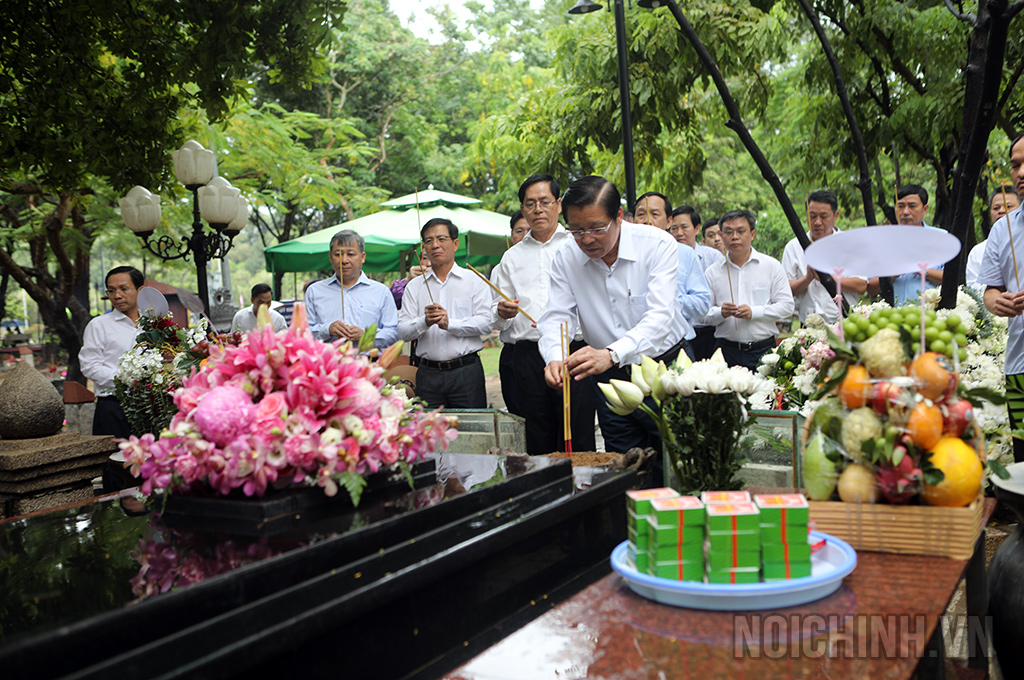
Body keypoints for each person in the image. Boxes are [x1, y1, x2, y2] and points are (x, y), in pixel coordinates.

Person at [539, 176, 688, 455]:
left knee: (677, 458)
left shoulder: (656, 244)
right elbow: (557, 315)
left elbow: (661, 317)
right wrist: (554, 357)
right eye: (576, 230)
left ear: (619, 215)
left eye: (597, 228)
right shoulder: (566, 255)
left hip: (664, 369)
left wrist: (611, 353)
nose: (587, 239)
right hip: (609, 379)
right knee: (623, 461)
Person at [492, 175, 596, 454]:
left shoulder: (579, 246)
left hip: (573, 351)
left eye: (544, 202)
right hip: (528, 355)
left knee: (578, 432)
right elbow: (496, 315)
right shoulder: (511, 257)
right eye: (530, 204)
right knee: (536, 436)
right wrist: (501, 311)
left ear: (559, 204)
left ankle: (582, 482)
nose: (538, 209)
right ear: (522, 209)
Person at [398, 218, 492, 409]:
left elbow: (487, 323)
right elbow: (403, 331)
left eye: (441, 239)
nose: (435, 245)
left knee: (472, 425)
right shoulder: (414, 287)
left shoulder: (474, 280)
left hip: (466, 371)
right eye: (429, 241)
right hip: (428, 373)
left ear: (455, 244)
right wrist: (424, 322)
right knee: (429, 426)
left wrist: (450, 324)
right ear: (424, 248)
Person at [702, 209, 794, 370]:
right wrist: (721, 312)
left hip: (764, 350)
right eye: (728, 232)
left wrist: (755, 312)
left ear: (752, 234)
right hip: (726, 351)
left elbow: (787, 306)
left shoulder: (771, 266)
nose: (734, 237)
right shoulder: (712, 272)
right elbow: (702, 314)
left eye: (740, 231)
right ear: (722, 236)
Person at [980, 133, 1024, 462]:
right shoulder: (1002, 229)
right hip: (1019, 366)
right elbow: (991, 290)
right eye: (1015, 165)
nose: (1021, 173)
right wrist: (997, 302)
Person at [782, 190, 868, 323]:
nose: (817, 222)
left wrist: (828, 278)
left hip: (845, 324)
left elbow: (861, 285)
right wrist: (808, 278)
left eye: (824, 216)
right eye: (812, 216)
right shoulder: (793, 247)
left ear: (835, 216)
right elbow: (785, 290)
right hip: (809, 327)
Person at [305, 229, 399, 349]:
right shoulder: (314, 291)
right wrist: (327, 329)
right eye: (338, 254)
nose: (344, 260)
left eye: (350, 254)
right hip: (328, 360)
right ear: (330, 257)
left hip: (368, 359)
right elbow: (302, 334)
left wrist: (367, 335)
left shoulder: (381, 292)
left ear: (362, 257)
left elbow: (394, 333)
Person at [80, 266, 144, 439]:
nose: (117, 295)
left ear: (140, 290)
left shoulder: (153, 323)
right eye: (111, 290)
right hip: (113, 408)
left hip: (151, 406)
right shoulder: (98, 325)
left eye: (124, 289)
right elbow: (89, 366)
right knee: (116, 455)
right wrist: (126, 379)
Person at [869, 185, 944, 304]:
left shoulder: (942, 238)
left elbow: (953, 278)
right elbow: (870, 288)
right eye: (900, 206)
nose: (905, 212)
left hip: (930, 313)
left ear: (924, 209)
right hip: (891, 313)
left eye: (912, 206)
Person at [671, 206, 723, 360]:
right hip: (681, 335)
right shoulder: (667, 258)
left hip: (709, 333)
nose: (679, 233)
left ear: (697, 229)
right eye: (674, 228)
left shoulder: (714, 257)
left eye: (684, 227)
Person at [967, 185, 1021, 290]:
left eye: (1008, 206)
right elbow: (972, 286)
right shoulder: (978, 251)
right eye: (996, 208)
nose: (1001, 211)